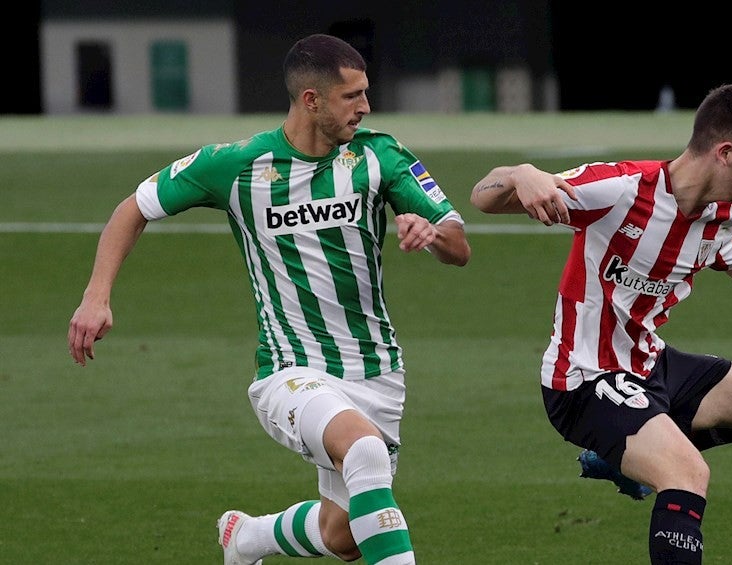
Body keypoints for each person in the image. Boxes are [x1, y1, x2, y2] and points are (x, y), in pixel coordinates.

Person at [68, 34, 470, 565]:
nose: (365, 107)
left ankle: (249, 538)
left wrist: (430, 234)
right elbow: (134, 207)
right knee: (364, 450)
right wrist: (96, 297)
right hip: (291, 370)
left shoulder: (380, 155)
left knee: (343, 536)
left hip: (378, 373)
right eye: (352, 96)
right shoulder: (236, 164)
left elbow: (459, 247)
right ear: (312, 100)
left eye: (365, 93)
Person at [469, 83, 732, 564]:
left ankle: (621, 455)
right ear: (726, 152)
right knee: (687, 475)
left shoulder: (722, 215)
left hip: (649, 364)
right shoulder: (620, 190)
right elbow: (484, 197)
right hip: (584, 378)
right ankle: (640, 449)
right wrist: (522, 174)